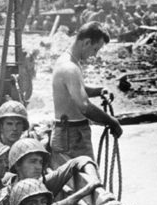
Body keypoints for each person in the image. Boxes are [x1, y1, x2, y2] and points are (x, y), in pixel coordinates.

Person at [51, 21, 121, 165]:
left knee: (73, 182)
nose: (94, 55)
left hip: (68, 133)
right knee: (90, 183)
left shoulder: (69, 61)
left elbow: (76, 90)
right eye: (95, 49)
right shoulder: (69, 67)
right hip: (72, 135)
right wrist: (111, 121)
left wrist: (99, 91)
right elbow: (84, 106)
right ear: (87, 42)